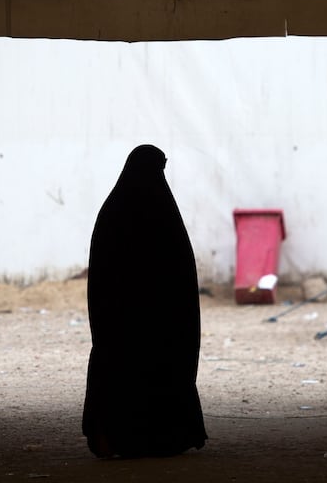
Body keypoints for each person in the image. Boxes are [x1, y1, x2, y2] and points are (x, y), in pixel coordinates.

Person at [82, 144, 208, 458]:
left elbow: (100, 274)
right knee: (159, 372)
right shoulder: (164, 214)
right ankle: (163, 438)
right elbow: (181, 277)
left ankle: (112, 437)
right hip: (161, 325)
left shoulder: (111, 212)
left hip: (119, 321)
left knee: (118, 373)